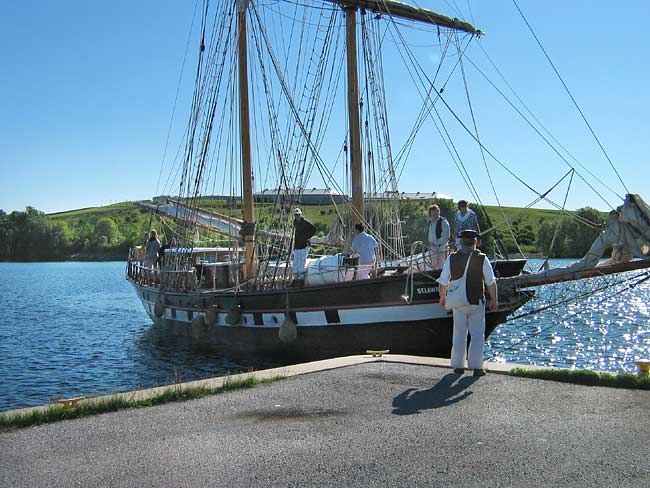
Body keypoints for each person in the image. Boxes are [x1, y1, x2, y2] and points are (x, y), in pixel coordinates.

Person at [438, 229, 498, 377]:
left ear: (461, 241)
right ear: (475, 241)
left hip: (458, 302)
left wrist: (442, 296)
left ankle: (458, 366)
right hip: (476, 300)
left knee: (459, 334)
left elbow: (443, 280)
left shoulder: (452, 258)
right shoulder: (482, 258)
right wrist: (494, 299)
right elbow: (491, 281)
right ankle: (477, 367)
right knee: (477, 334)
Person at [292, 208, 316, 281]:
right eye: (296, 215)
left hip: (304, 245)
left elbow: (314, 229)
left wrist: (306, 237)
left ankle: (301, 278)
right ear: (294, 216)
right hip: (297, 245)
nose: (297, 216)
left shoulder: (305, 222)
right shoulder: (295, 223)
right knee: (296, 261)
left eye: (298, 215)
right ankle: (296, 277)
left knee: (302, 261)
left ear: (301, 214)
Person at [427, 204, 450, 269]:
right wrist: (430, 243)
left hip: (442, 247)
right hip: (432, 248)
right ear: (430, 213)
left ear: (439, 212)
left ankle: (443, 278)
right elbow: (430, 234)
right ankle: (435, 278)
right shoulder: (430, 222)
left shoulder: (443, 222)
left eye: (436, 211)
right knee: (433, 265)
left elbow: (446, 236)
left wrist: (436, 243)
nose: (435, 213)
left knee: (443, 265)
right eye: (433, 211)